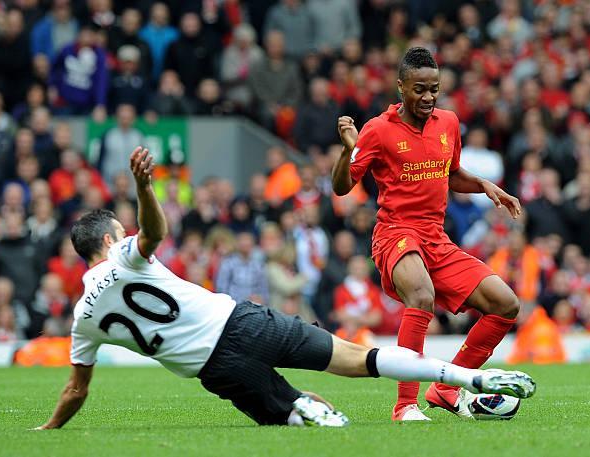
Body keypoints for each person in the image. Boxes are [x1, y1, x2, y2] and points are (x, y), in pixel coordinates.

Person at [34, 146, 535, 430]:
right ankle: (467, 380)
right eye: (120, 231)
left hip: (216, 370)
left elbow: (76, 388)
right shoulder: (124, 254)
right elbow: (154, 233)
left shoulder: (83, 318)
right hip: (241, 323)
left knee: (294, 413)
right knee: (358, 360)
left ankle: (303, 408)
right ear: (110, 239)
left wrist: (49, 428)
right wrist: (145, 187)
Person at [333, 47, 526, 421]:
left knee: (506, 305)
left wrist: (484, 185)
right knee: (421, 296)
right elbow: (342, 187)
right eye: (419, 89)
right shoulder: (377, 130)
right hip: (395, 234)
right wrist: (347, 151)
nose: (428, 97)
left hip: (436, 238)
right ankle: (405, 405)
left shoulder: (448, 123)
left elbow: (449, 173)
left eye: (434, 89)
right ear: (401, 86)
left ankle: (447, 388)